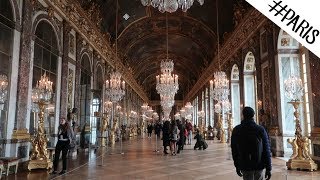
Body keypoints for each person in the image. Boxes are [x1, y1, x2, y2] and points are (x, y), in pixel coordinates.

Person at [231, 107, 272, 180]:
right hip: (259, 164)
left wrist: (237, 165)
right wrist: (268, 168)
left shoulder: (237, 130)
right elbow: (266, 149)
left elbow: (234, 150)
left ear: (243, 115)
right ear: (253, 115)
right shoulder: (260, 129)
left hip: (245, 164)